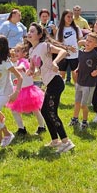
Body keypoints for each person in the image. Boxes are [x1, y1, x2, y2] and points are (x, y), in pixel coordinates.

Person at [26, 22, 74, 153]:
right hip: (49, 83)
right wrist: (31, 72)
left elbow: (63, 51)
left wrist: (55, 62)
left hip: (55, 82)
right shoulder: (31, 51)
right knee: (44, 111)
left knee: (51, 112)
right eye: (29, 31)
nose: (29, 33)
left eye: (32, 31)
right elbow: (35, 69)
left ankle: (66, 142)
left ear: (39, 35)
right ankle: (55, 140)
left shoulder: (44, 46)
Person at [71, 32, 97, 130]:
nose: (87, 42)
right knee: (77, 102)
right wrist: (78, 68)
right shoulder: (81, 52)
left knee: (84, 105)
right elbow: (81, 62)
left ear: (96, 45)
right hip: (80, 81)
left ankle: (84, 121)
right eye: (87, 40)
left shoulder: (95, 54)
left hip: (89, 83)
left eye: (90, 41)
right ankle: (75, 119)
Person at [6, 42, 45, 135]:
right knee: (15, 110)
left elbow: (21, 68)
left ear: (24, 53)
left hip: (28, 91)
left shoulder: (23, 61)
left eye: (18, 51)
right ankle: (22, 128)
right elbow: (23, 75)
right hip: (21, 89)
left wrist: (11, 68)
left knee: (35, 110)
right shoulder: (19, 61)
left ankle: (41, 126)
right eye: (15, 51)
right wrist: (17, 80)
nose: (16, 53)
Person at [55, 9, 82, 84]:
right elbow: (57, 43)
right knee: (61, 77)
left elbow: (81, 41)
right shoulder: (60, 29)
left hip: (75, 55)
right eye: (68, 17)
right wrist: (68, 47)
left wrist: (78, 47)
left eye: (71, 17)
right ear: (63, 17)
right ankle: (60, 90)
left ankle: (78, 90)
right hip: (63, 56)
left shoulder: (76, 28)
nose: (70, 19)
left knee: (76, 76)